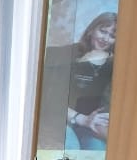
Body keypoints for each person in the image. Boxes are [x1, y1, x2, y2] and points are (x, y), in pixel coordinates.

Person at [44, 11, 117, 151]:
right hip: (64, 120)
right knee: (71, 146)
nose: (106, 39)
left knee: (96, 150)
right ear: (91, 30)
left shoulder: (115, 64)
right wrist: (81, 118)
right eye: (103, 31)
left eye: (112, 36)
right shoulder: (66, 54)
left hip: (92, 128)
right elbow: (52, 98)